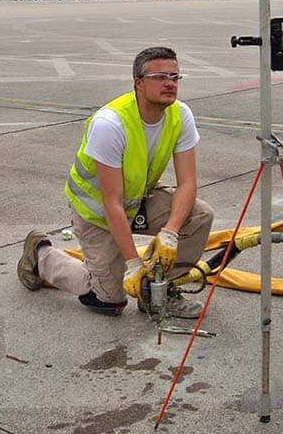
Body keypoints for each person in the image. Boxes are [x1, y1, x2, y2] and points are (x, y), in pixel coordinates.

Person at [17, 46, 213, 317]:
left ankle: (157, 291)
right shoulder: (110, 124)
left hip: (138, 198)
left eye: (174, 76)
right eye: (159, 77)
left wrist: (170, 233)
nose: (170, 83)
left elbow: (188, 183)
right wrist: (133, 264)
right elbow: (112, 202)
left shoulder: (180, 115)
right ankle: (42, 256)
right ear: (138, 83)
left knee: (200, 216)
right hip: (97, 211)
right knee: (110, 299)